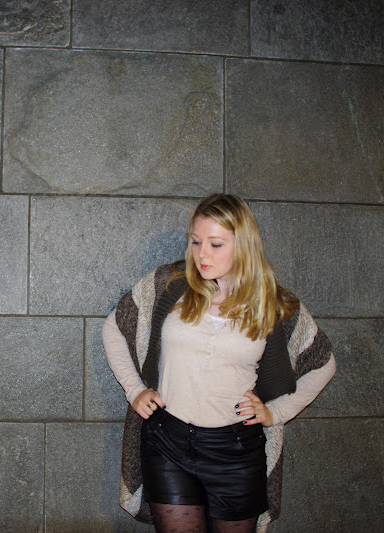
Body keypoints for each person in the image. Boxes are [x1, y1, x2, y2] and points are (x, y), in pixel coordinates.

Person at [102, 194, 336, 533]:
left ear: (243, 246)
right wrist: (134, 390)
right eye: (196, 241)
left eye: (215, 244)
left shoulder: (272, 303)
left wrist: (275, 412)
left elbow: (323, 363)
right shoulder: (170, 283)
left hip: (236, 453)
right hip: (168, 442)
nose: (202, 254)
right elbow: (115, 327)